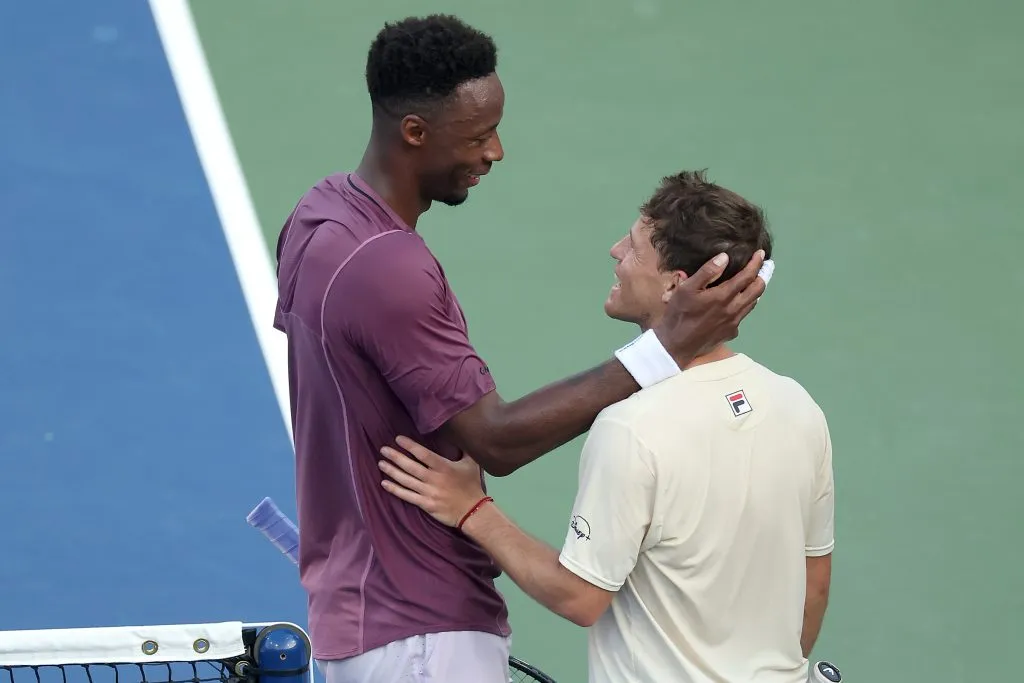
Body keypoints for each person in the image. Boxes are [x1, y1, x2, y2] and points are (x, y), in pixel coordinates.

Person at [272, 12, 768, 683]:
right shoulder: (390, 268)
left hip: (366, 616)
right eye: (477, 135)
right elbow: (497, 440)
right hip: (419, 630)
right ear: (415, 133)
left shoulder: (317, 217)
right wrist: (667, 345)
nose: (495, 151)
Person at [377, 170, 834, 683]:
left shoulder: (632, 427)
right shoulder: (798, 407)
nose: (615, 251)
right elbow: (813, 582)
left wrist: (473, 510)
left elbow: (580, 595)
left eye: (636, 248)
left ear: (677, 285)